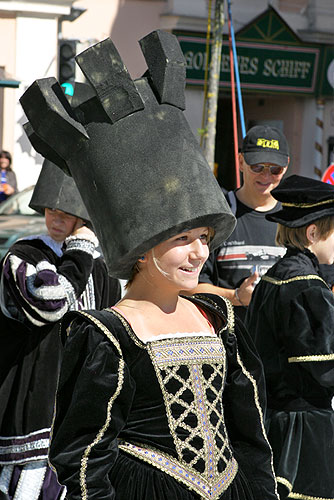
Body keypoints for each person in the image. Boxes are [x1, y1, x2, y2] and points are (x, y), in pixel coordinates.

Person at [20, 30, 279, 500]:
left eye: (204, 237)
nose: (200, 253)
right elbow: (83, 462)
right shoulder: (107, 335)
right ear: (141, 247)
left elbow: (251, 438)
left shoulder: (218, 319)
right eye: (183, 239)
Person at [0, 160, 121, 499]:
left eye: (65, 213)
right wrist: (79, 252)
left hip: (82, 403)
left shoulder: (102, 265)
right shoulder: (23, 255)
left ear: (85, 219)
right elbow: (48, 304)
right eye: (51, 210)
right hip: (32, 404)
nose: (55, 219)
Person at [245, 174, 334, 500]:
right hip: (304, 433)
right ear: (313, 233)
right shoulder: (306, 286)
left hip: (274, 423)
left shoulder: (273, 279)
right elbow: (326, 371)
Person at [194, 125, 289, 320]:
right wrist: (236, 296)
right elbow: (190, 287)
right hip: (230, 340)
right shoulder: (219, 214)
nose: (266, 176)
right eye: (257, 167)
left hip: (281, 343)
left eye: (275, 169)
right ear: (240, 162)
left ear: (286, 166)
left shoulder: (295, 218)